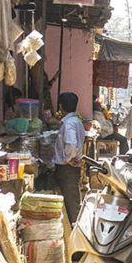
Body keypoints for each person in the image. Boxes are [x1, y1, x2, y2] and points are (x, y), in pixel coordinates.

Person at [53, 92, 85, 223]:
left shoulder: (68, 123)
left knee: (72, 203)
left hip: (67, 168)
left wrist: (68, 158)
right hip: (69, 167)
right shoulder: (76, 121)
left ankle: (76, 231)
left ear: (60, 106)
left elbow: (71, 144)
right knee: (72, 200)